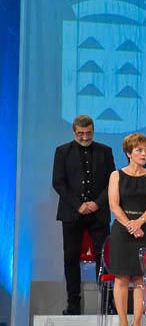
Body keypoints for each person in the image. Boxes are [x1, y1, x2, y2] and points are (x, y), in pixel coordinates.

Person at [52, 115, 115, 315]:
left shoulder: (105, 151)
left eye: (88, 133)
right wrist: (78, 205)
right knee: (70, 258)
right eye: (81, 133)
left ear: (93, 131)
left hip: (99, 214)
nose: (85, 137)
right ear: (74, 132)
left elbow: (111, 181)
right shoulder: (62, 151)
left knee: (104, 258)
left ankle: (108, 304)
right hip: (72, 213)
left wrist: (97, 203)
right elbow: (58, 182)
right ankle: (73, 304)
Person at [107, 133, 146, 326]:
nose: (144, 154)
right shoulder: (116, 175)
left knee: (140, 280)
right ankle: (122, 321)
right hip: (122, 230)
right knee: (121, 278)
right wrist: (130, 225)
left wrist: (139, 223)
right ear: (128, 153)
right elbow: (114, 205)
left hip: (145, 229)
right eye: (139, 150)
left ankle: (137, 323)